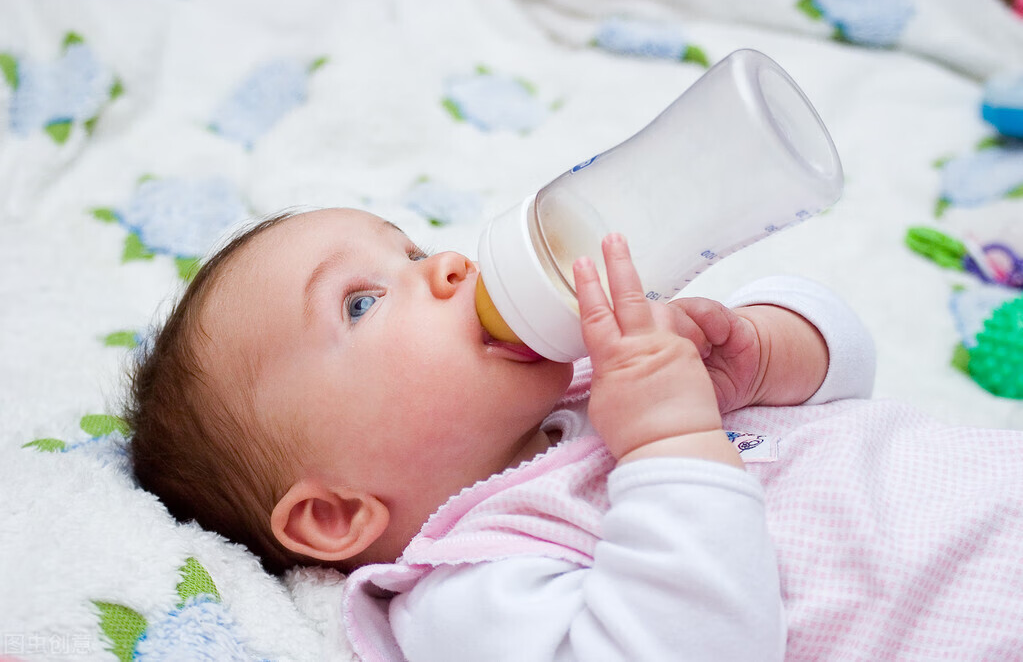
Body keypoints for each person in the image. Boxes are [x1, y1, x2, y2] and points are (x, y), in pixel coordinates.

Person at [127, 207, 1023, 661]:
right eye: (360, 302)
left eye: (411, 250)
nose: (448, 266)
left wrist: (762, 353)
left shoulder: (600, 381)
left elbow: (850, 375)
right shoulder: (470, 585)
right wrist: (669, 440)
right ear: (334, 516)